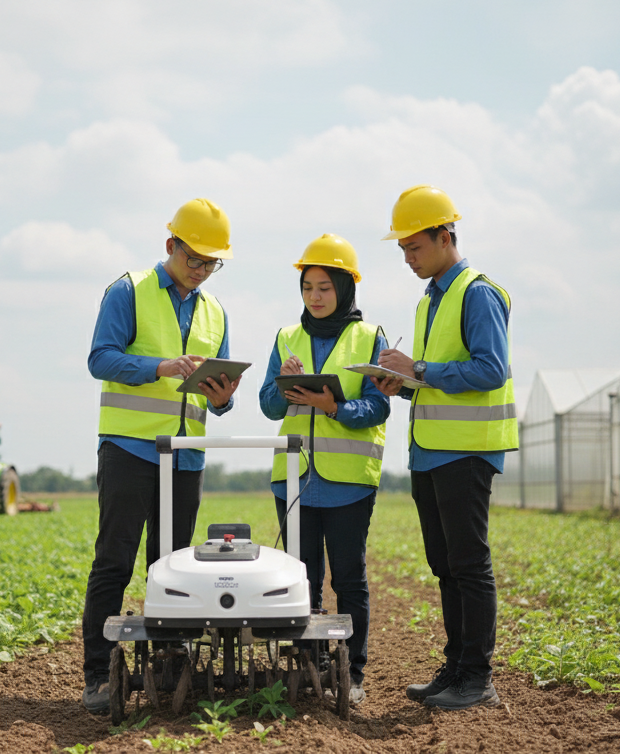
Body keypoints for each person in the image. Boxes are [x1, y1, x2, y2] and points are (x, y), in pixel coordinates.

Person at [80, 198, 241, 713]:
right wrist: (161, 367)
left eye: (210, 263)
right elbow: (100, 358)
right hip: (130, 448)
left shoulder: (216, 311)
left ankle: (168, 667)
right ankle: (98, 676)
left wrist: (222, 397)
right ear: (169, 245)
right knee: (115, 561)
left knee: (171, 567)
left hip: (186, 456)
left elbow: (224, 397)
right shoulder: (128, 290)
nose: (201, 271)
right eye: (194, 259)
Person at [371, 185, 516, 711]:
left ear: (445, 236)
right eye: (403, 250)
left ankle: (477, 679)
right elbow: (434, 379)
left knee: (469, 564)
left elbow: (490, 370)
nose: (408, 259)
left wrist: (421, 370)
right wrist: (403, 383)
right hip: (431, 451)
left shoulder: (477, 292)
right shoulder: (429, 299)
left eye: (415, 248)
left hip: (466, 451)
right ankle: (455, 669)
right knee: (445, 564)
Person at [259, 233, 390, 706]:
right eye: (308, 287)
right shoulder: (285, 338)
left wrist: (335, 406)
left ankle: (351, 673)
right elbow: (268, 407)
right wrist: (282, 383)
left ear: (346, 288)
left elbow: (378, 407)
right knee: (302, 578)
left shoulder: (370, 337)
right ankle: (310, 669)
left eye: (325, 287)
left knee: (348, 579)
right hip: (293, 477)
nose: (315, 296)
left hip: (349, 483)